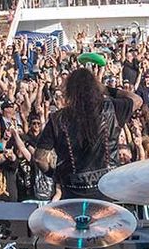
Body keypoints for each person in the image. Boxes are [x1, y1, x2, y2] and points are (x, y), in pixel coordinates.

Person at [34, 66, 142, 200]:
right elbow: (137, 100)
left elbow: (39, 158)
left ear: (69, 91)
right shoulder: (111, 108)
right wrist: (106, 89)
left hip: (73, 192)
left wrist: (56, 176)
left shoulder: (57, 119)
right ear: (95, 89)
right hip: (107, 189)